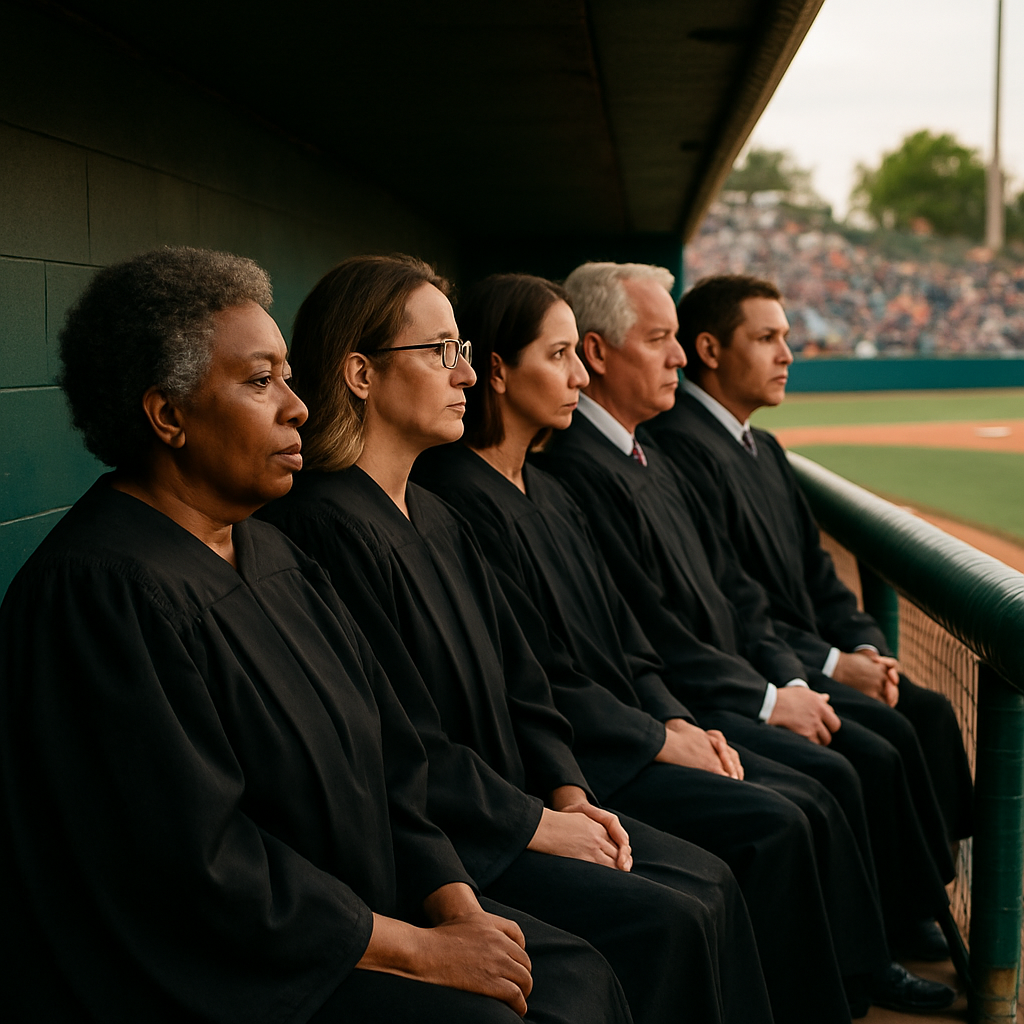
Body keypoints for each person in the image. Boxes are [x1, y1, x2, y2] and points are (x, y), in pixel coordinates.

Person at [0, 247, 634, 1024]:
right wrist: (416, 949)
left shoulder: (271, 549)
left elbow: (394, 756)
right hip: (248, 975)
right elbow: (197, 865)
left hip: (366, 917)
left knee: (576, 973)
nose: (298, 405)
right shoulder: (100, 593)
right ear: (167, 414)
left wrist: (457, 906)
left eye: (289, 377)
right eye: (261, 381)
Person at [260, 253, 773, 1024]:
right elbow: (400, 745)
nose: (465, 375)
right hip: (451, 841)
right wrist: (535, 824)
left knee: (707, 881)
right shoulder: (324, 528)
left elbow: (524, 681)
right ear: (361, 374)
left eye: (463, 351)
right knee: (664, 917)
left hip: (518, 806)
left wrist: (567, 791)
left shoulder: (434, 513)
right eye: (442, 352)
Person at [412, 271, 907, 1023]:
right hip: (580, 753)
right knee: (769, 823)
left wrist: (675, 722)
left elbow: (628, 636)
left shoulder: (544, 487)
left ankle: (847, 986)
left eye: (580, 353)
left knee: (795, 799)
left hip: (622, 732)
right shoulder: (462, 499)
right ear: (502, 372)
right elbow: (538, 680)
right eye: (560, 354)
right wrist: (650, 740)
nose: (579, 374)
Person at [532, 261, 958, 1014]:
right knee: (823, 786)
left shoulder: (645, 452)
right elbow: (651, 635)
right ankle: (859, 972)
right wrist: (760, 701)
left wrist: (799, 677)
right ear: (600, 354)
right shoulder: (578, 469)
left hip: (717, 686)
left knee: (868, 747)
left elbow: (733, 594)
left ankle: (895, 931)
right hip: (677, 705)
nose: (677, 358)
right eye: (660, 339)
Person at [647, 274, 974, 895]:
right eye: (767, 337)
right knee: (888, 741)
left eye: (786, 337)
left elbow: (817, 572)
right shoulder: (679, 447)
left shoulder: (761, 445)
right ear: (711, 351)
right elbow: (738, 596)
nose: (787, 354)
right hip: (759, 663)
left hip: (798, 651)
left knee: (925, 713)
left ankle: (931, 892)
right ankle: (911, 910)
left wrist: (866, 646)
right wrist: (828, 663)